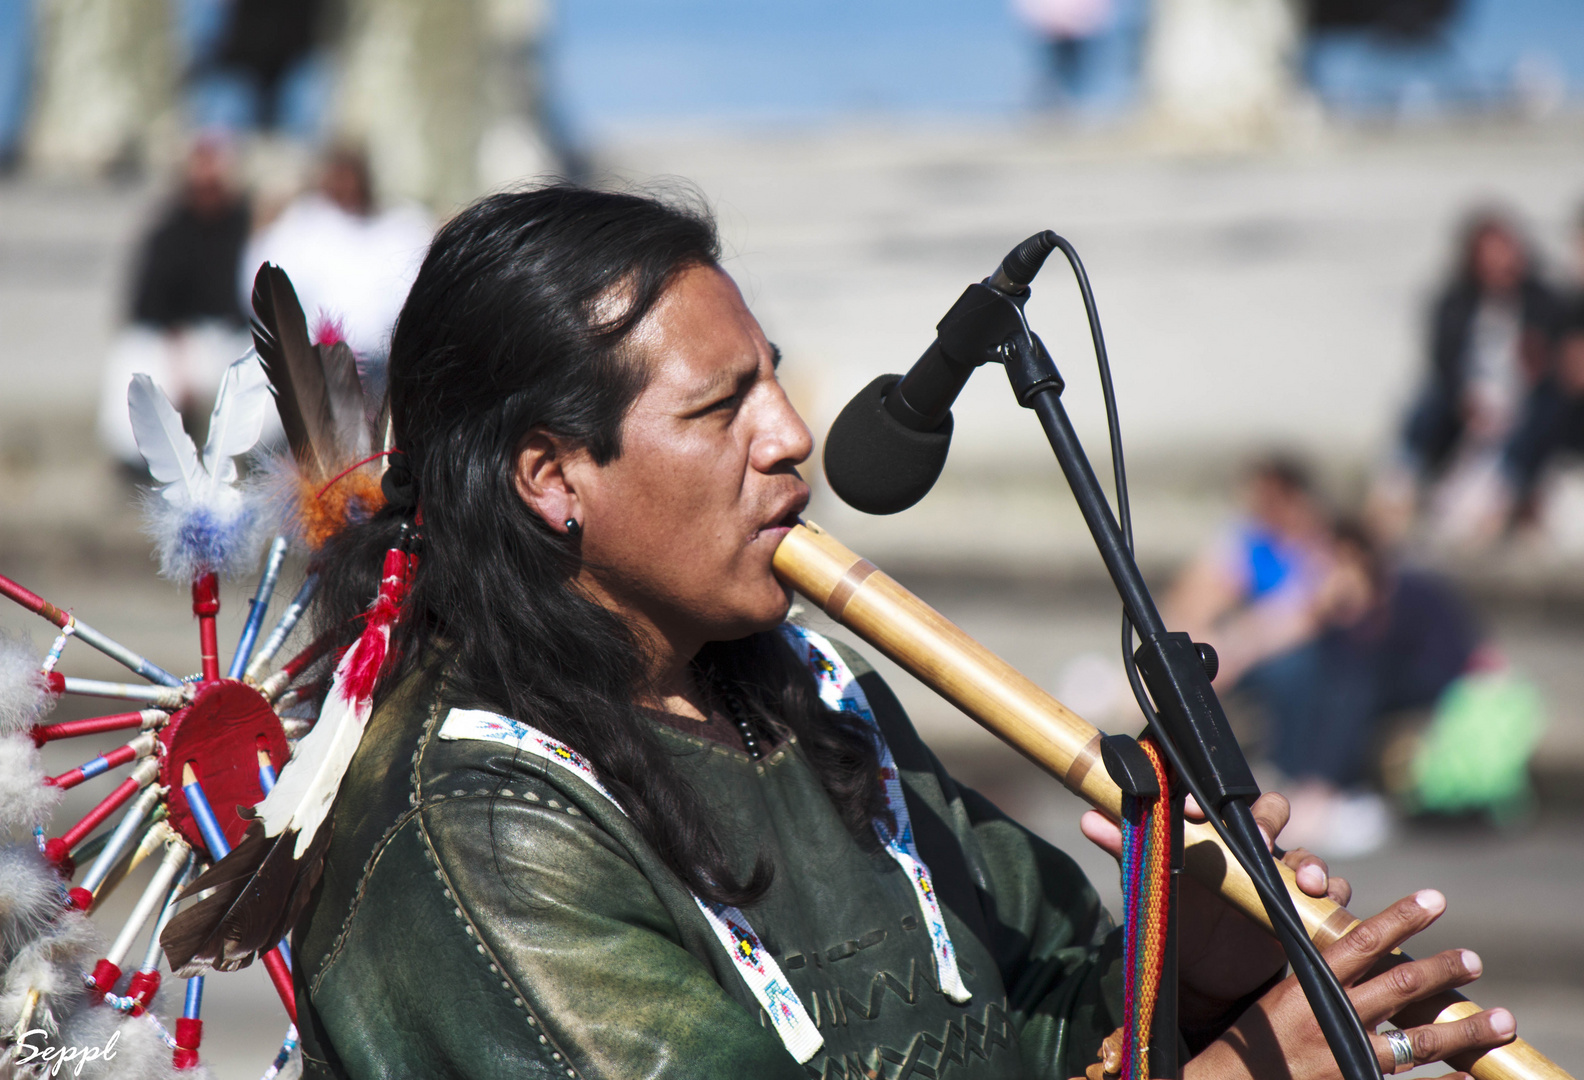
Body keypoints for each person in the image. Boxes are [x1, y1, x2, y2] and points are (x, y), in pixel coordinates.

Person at [282, 187, 1511, 1078]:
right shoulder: (483, 831)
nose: (790, 433)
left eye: (773, 378)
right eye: (724, 406)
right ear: (552, 477)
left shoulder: (811, 692)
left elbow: (1037, 1010)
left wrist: (1194, 970)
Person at [1385, 209, 1562, 542]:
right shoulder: (1454, 302)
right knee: (1426, 401)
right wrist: (1465, 400)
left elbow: (1552, 366)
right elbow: (1442, 363)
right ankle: (1400, 481)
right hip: (1468, 407)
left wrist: (1539, 362)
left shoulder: (1544, 302)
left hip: (1523, 405)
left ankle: (1505, 496)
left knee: (1539, 414)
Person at [97, 136, 258, 471]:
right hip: (176, 343)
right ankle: (136, 465)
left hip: (232, 341)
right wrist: (180, 359)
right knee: (132, 361)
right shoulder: (166, 233)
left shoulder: (248, 228)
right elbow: (147, 308)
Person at [238, 143, 430, 394]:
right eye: (339, 175)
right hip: (315, 367)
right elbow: (257, 289)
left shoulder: (400, 227)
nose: (346, 184)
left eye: (352, 175)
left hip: (385, 364)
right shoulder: (300, 226)